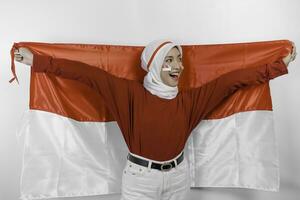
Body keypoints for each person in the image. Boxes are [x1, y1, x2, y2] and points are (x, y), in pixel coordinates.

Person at [14, 39, 296, 200]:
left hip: (179, 178)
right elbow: (83, 72)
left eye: (179, 59)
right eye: (169, 60)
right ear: (153, 65)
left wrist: (275, 67)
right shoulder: (127, 94)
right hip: (140, 182)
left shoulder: (191, 100)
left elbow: (234, 81)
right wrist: (37, 62)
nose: (178, 66)